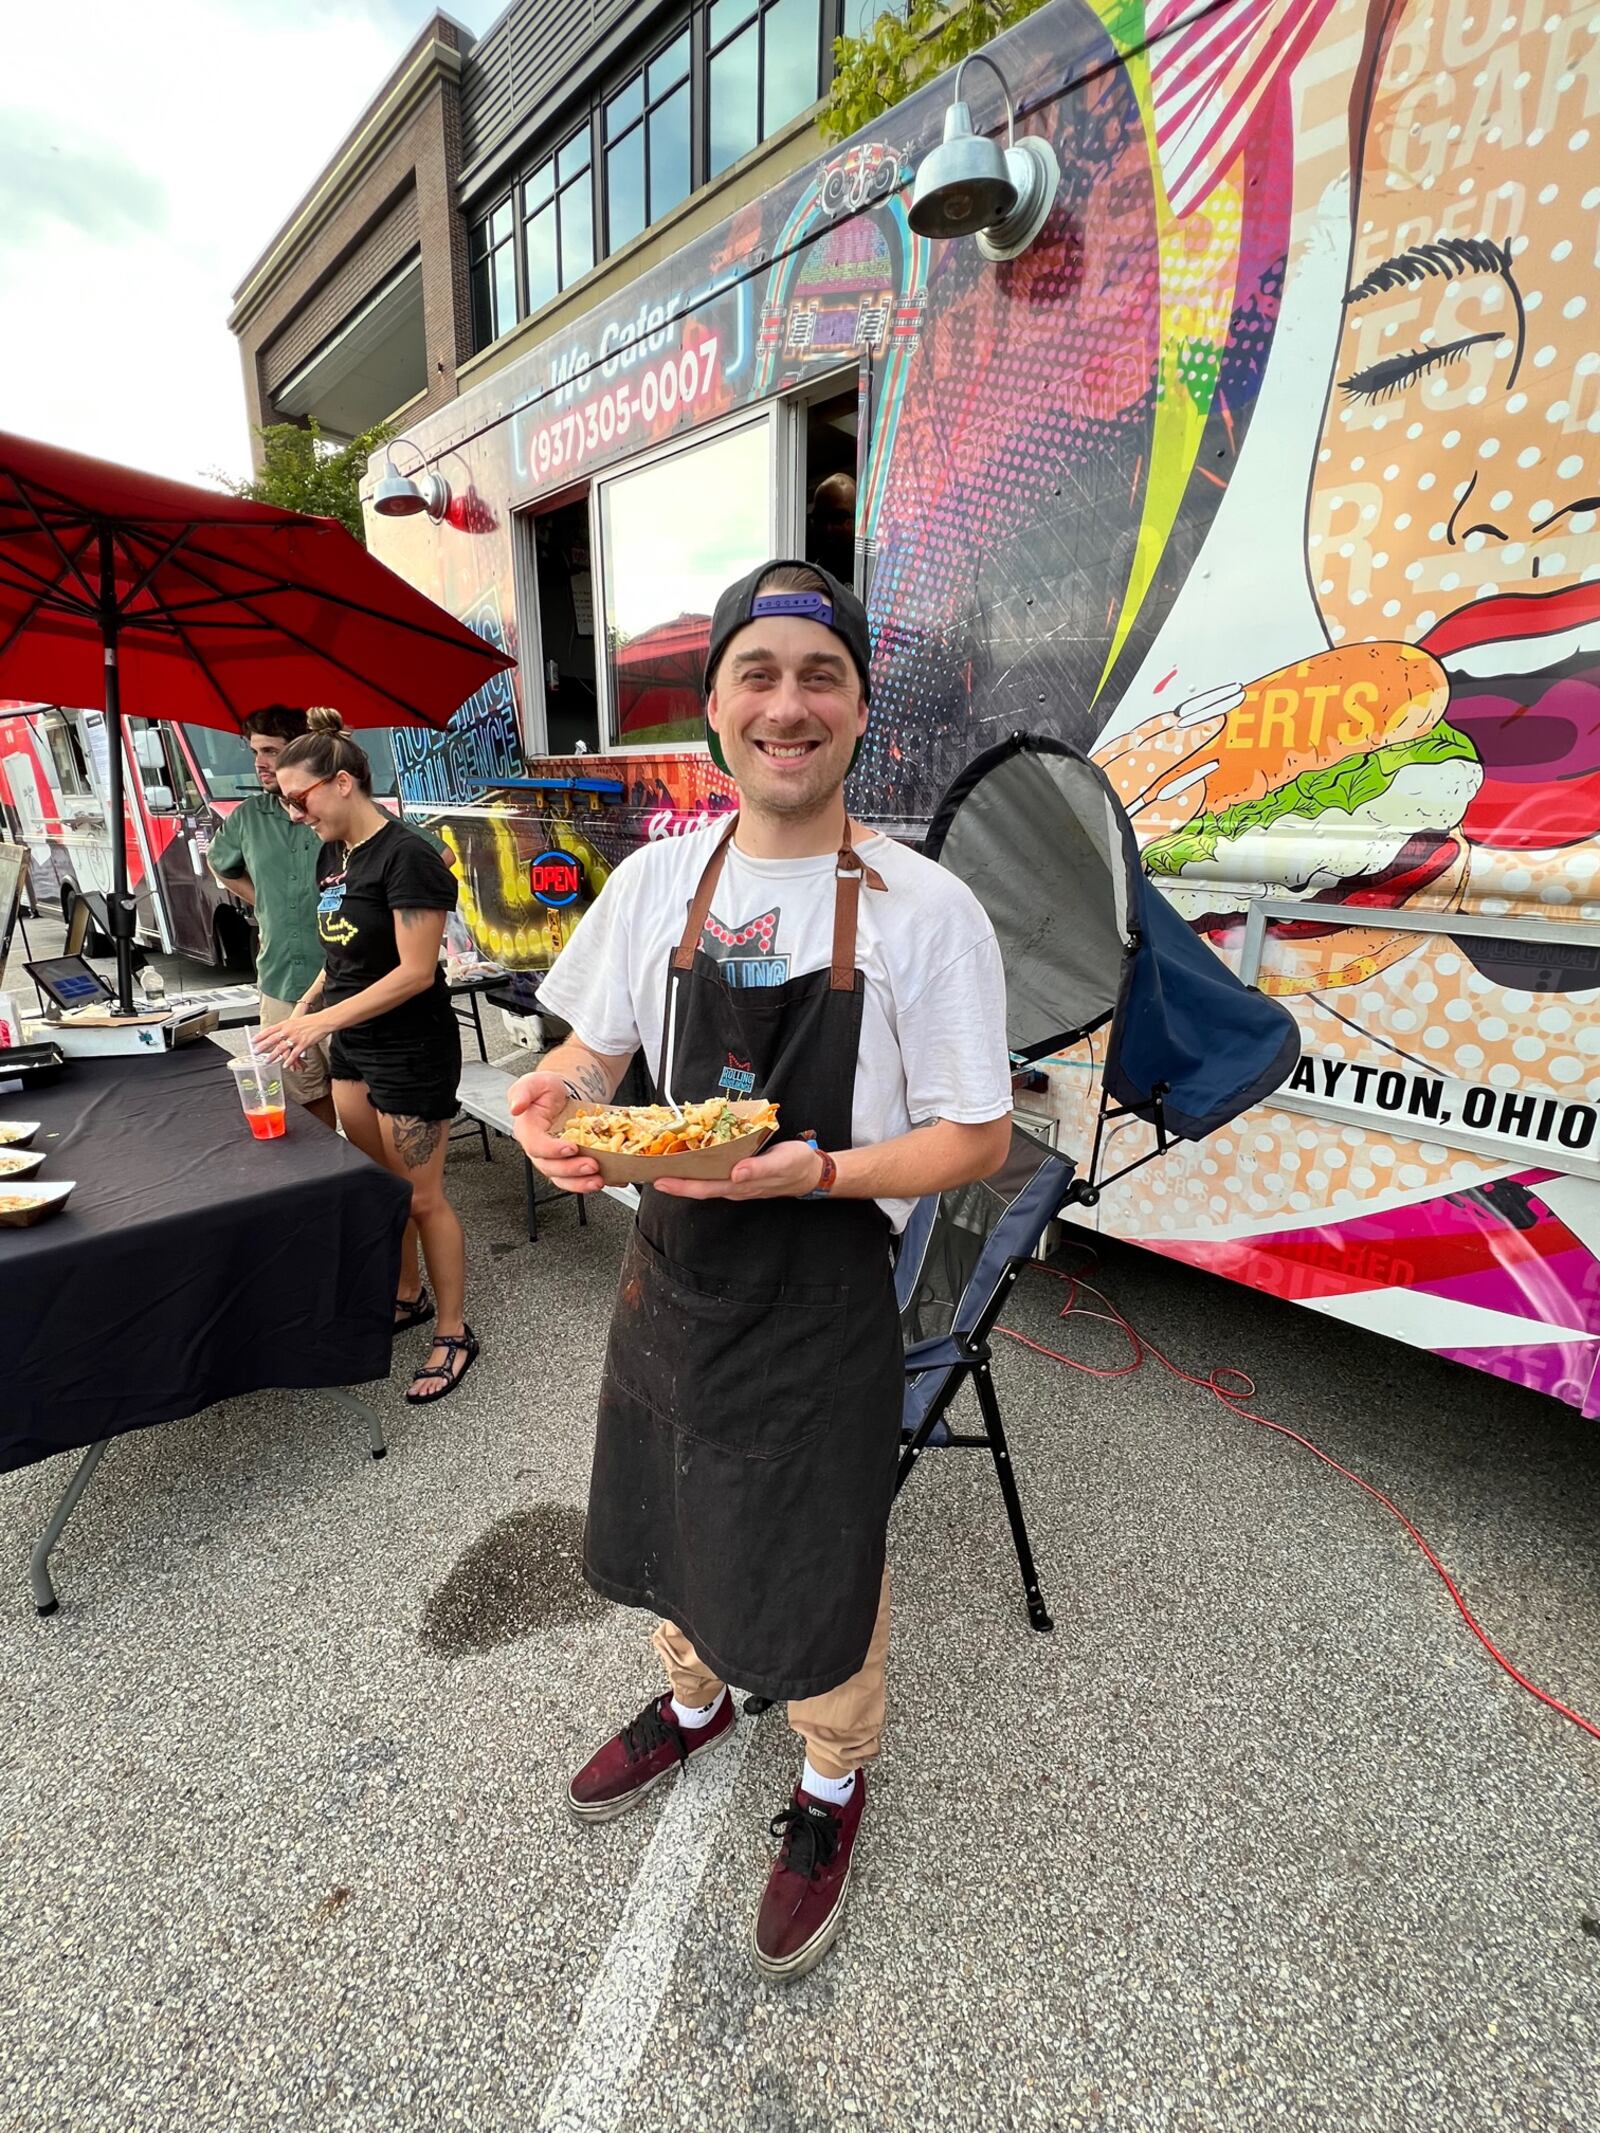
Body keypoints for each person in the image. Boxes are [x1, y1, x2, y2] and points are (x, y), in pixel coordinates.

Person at [510, 560, 1013, 1981]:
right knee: (673, 1499)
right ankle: (695, 1697)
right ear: (715, 708)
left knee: (820, 1545)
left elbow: (978, 1138)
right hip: (671, 1264)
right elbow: (589, 1056)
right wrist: (554, 1105)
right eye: (760, 674)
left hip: (822, 1279)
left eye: (820, 676)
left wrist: (829, 1170)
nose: (787, 705)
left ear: (858, 713)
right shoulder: (661, 879)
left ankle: (834, 1781)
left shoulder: (926, 910)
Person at [257, 709, 477, 1406]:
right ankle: (407, 1294)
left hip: (412, 1050)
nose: (294, 812)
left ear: (343, 782)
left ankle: (453, 1330)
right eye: (285, 801)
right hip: (354, 1044)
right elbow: (341, 952)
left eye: (300, 797)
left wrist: (319, 1020)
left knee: (422, 1197)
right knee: (383, 1190)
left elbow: (414, 972)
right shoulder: (336, 855)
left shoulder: (407, 854)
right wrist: (305, 1011)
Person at [207, 707, 336, 1128]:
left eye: (270, 751)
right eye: (254, 751)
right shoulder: (247, 817)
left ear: (300, 753)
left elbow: (433, 853)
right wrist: (265, 903)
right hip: (280, 981)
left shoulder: (337, 807)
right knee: (303, 1098)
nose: (259, 762)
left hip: (346, 983)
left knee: (363, 1098)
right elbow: (219, 863)